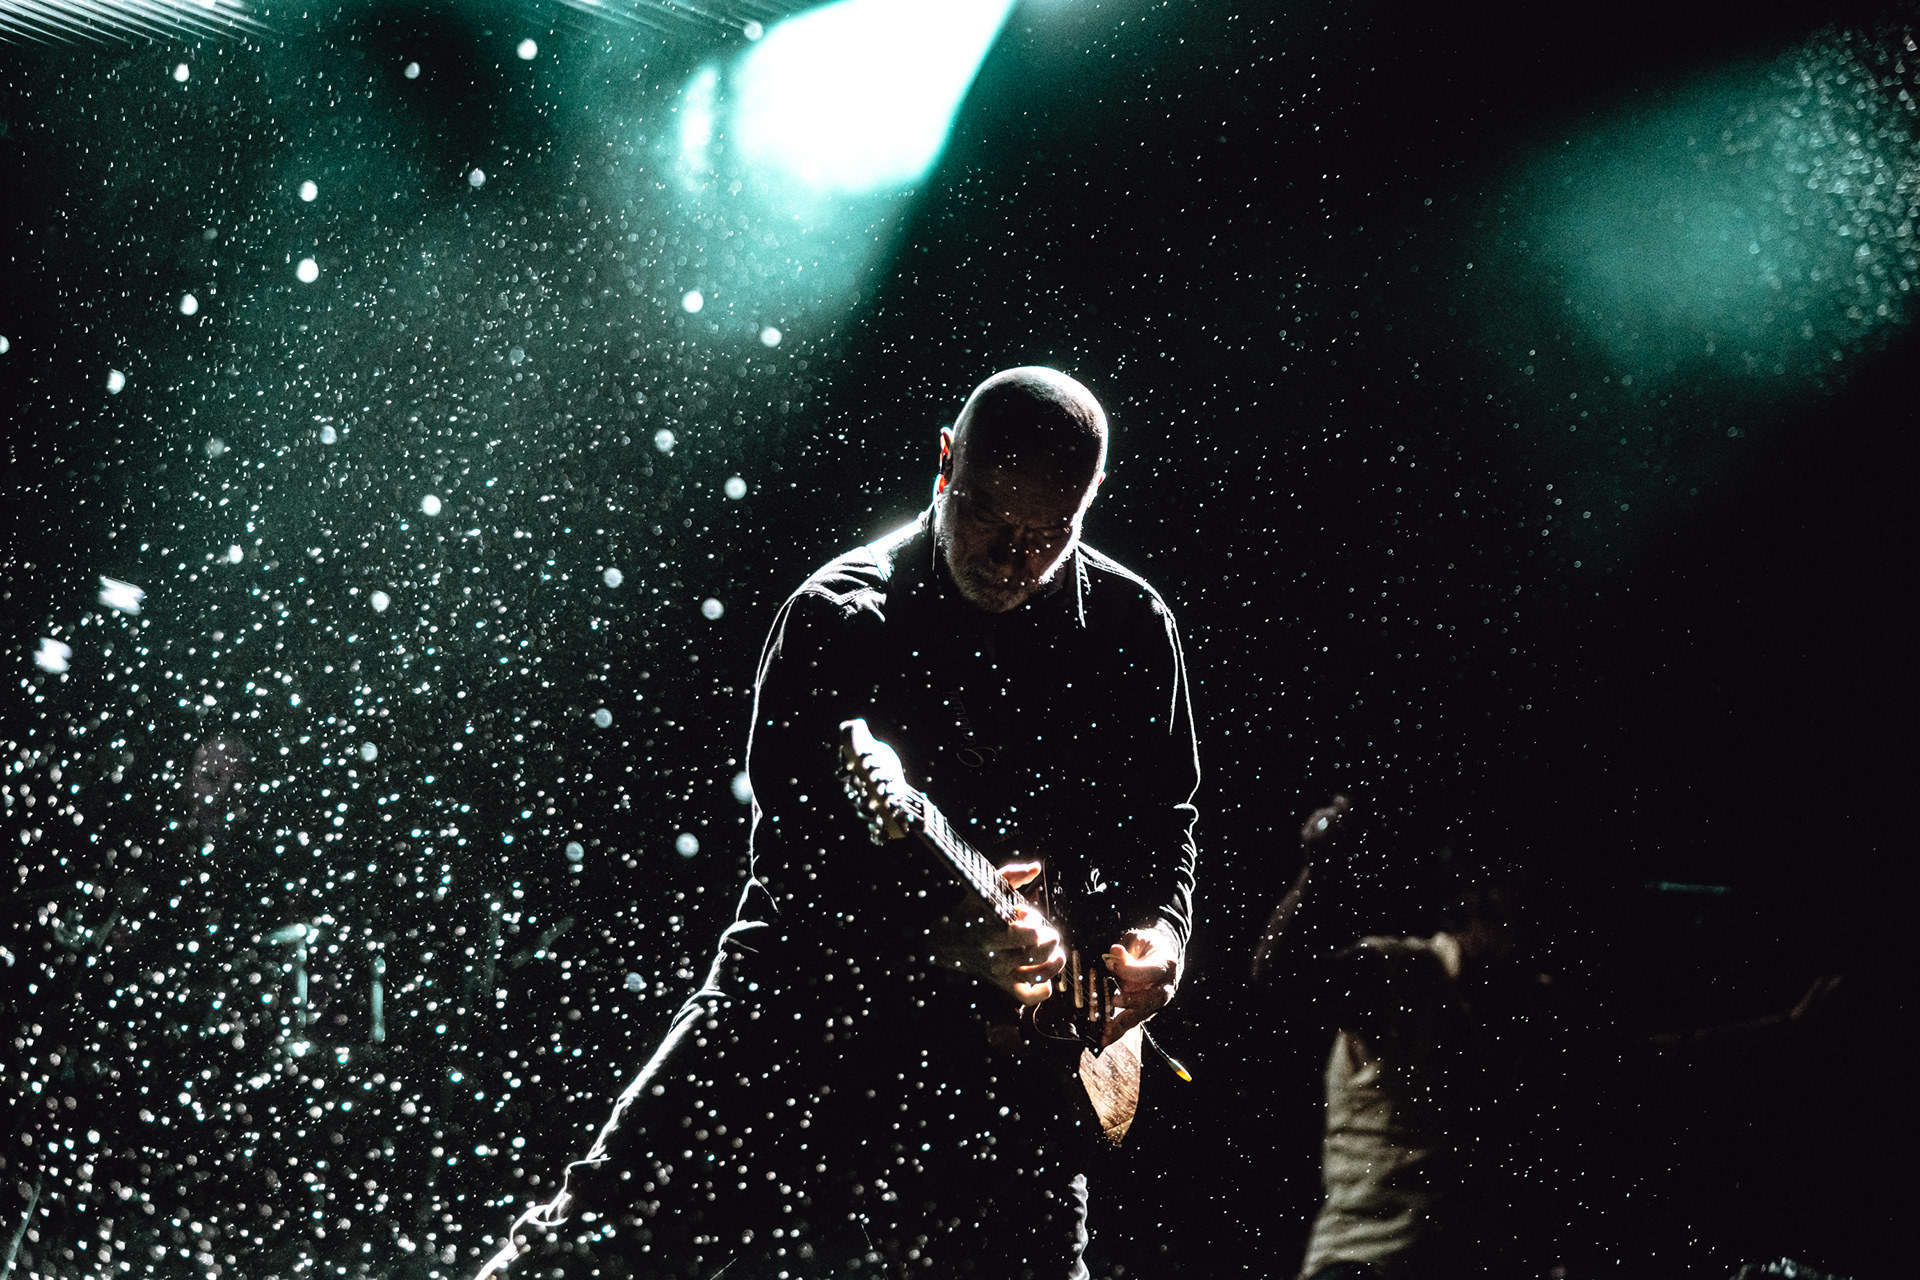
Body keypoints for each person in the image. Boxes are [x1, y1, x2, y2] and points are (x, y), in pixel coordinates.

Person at [483, 367, 1201, 1280]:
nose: (1011, 557)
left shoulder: (1133, 627)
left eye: (1047, 534)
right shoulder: (841, 619)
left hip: (1011, 1060)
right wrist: (938, 939)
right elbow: (794, 869)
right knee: (586, 1251)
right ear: (946, 462)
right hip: (804, 1006)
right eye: (987, 515)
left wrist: (1162, 936)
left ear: (1089, 501)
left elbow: (1163, 818)